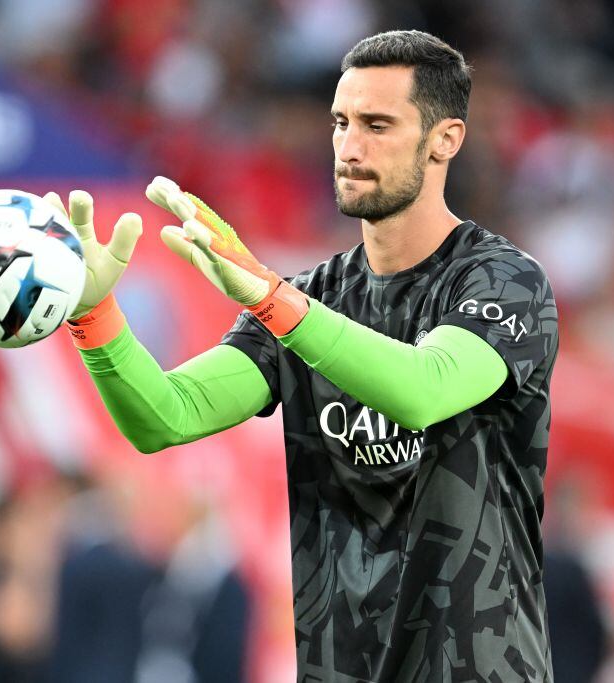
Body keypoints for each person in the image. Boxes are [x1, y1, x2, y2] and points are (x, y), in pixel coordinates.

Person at [48, 29, 559, 682]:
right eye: (341, 123)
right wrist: (95, 315)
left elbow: (424, 389)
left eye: (378, 124)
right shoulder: (311, 299)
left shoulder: (504, 281)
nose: (349, 146)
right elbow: (164, 416)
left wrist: (272, 301)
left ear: (445, 139)